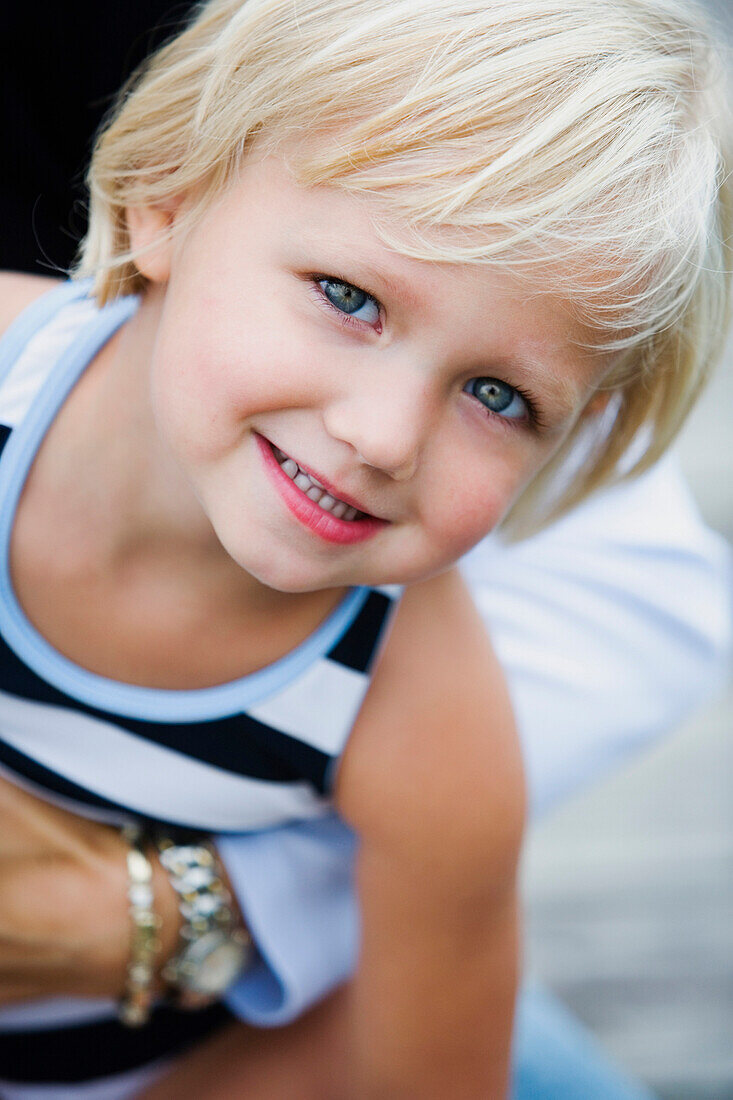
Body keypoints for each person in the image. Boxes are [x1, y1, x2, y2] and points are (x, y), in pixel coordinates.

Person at [0, 0, 729, 1097]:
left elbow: (414, 1071)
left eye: (498, 395)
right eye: (349, 299)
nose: (383, 436)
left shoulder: (421, 709)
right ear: (168, 199)